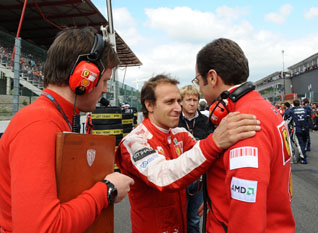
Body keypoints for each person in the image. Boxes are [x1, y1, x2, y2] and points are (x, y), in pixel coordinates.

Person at [0, 27, 134, 233]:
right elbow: (42, 229)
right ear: (83, 77)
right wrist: (107, 190)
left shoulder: (56, 117)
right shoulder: (39, 124)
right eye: (104, 81)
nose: (105, 89)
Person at [115, 74, 261, 233]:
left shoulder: (180, 133)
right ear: (149, 105)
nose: (178, 108)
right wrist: (214, 142)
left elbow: (211, 161)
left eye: (178, 101)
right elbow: (163, 177)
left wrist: (213, 195)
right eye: (170, 102)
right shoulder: (133, 142)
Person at [194, 38, 295, 233]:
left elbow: (248, 211)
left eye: (198, 81)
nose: (200, 89)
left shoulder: (242, 121)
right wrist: (217, 199)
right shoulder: (265, 109)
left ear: (212, 77)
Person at [178, 85, 213, 233]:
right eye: (188, 100)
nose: (192, 103)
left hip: (200, 178)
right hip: (180, 176)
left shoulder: (207, 121)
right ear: (181, 102)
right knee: (179, 218)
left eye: (195, 99)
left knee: (194, 220)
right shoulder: (174, 120)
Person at [285, 99, 310, 164]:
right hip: (306, 128)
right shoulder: (305, 109)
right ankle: (303, 153)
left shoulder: (291, 111)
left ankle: (303, 158)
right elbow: (308, 117)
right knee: (304, 142)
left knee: (299, 143)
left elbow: (287, 118)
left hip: (298, 128)